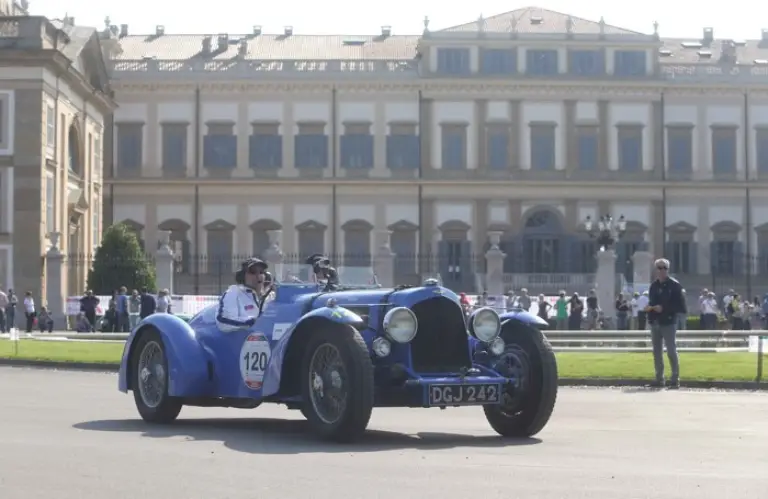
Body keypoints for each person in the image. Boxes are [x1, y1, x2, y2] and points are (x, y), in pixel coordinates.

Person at [647, 258, 687, 389]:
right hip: (655, 322)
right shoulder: (653, 286)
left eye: (664, 268)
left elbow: (681, 307)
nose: (662, 270)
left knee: (671, 350)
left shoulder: (674, 286)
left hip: (669, 322)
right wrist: (650, 308)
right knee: (656, 352)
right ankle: (660, 378)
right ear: (656, 270)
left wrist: (664, 308)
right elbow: (652, 302)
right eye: (659, 268)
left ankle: (675, 378)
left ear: (668, 270)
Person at [216, 258, 268, 333]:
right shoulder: (233, 293)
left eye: (261, 272)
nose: (258, 276)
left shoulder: (270, 297)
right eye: (252, 272)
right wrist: (252, 322)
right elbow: (223, 322)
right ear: (242, 276)